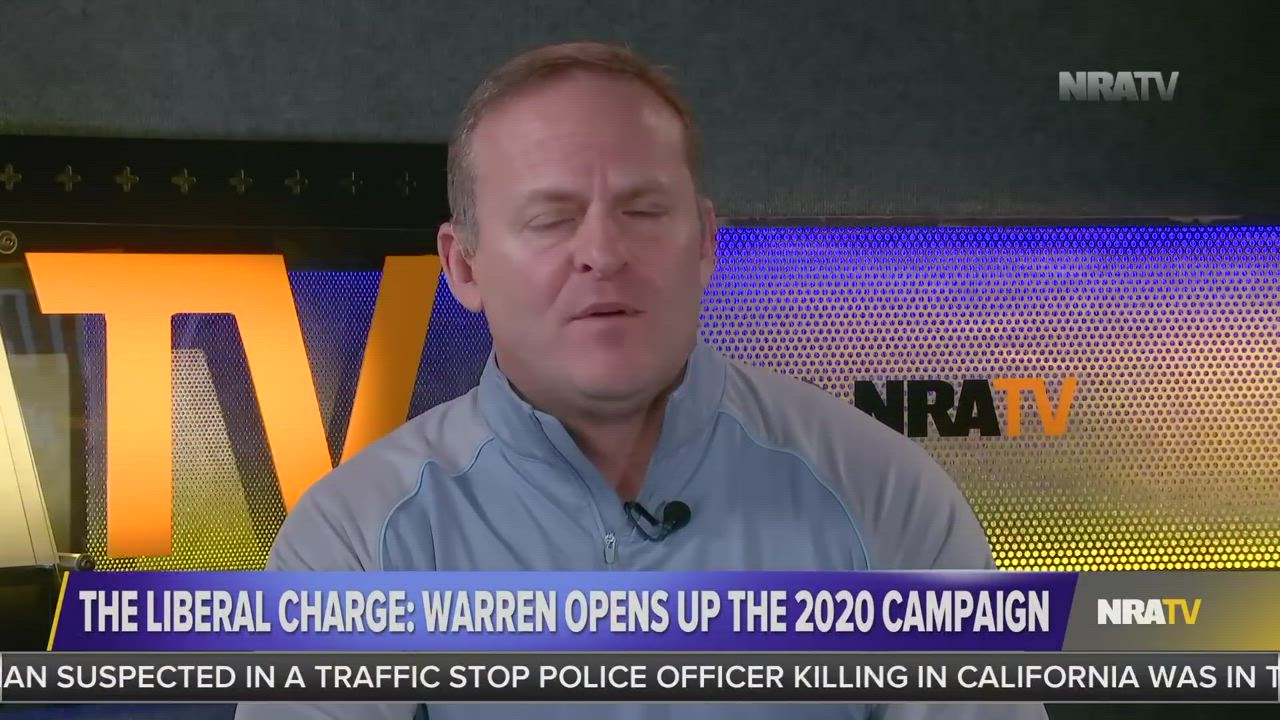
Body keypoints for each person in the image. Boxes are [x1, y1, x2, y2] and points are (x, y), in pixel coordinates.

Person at [237, 41, 1046, 720]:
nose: (603, 252)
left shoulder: (884, 498)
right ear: (465, 267)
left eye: (644, 210)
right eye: (552, 218)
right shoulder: (356, 543)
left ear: (704, 243)